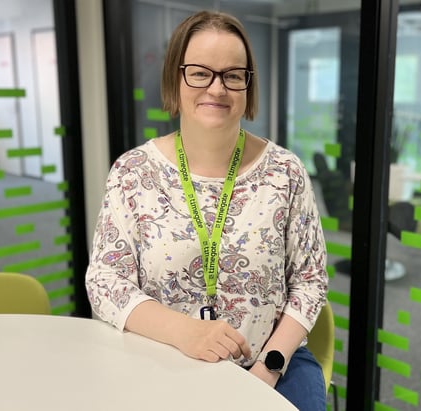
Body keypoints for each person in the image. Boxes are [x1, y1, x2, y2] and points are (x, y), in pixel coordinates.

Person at [85, 10, 328, 410]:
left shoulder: (285, 172)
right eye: (200, 72)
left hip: (271, 364)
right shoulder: (132, 173)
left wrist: (267, 369)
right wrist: (186, 333)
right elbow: (105, 281)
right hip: (163, 359)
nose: (218, 88)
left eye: (233, 75)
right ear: (174, 79)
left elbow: (311, 280)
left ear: (248, 85)